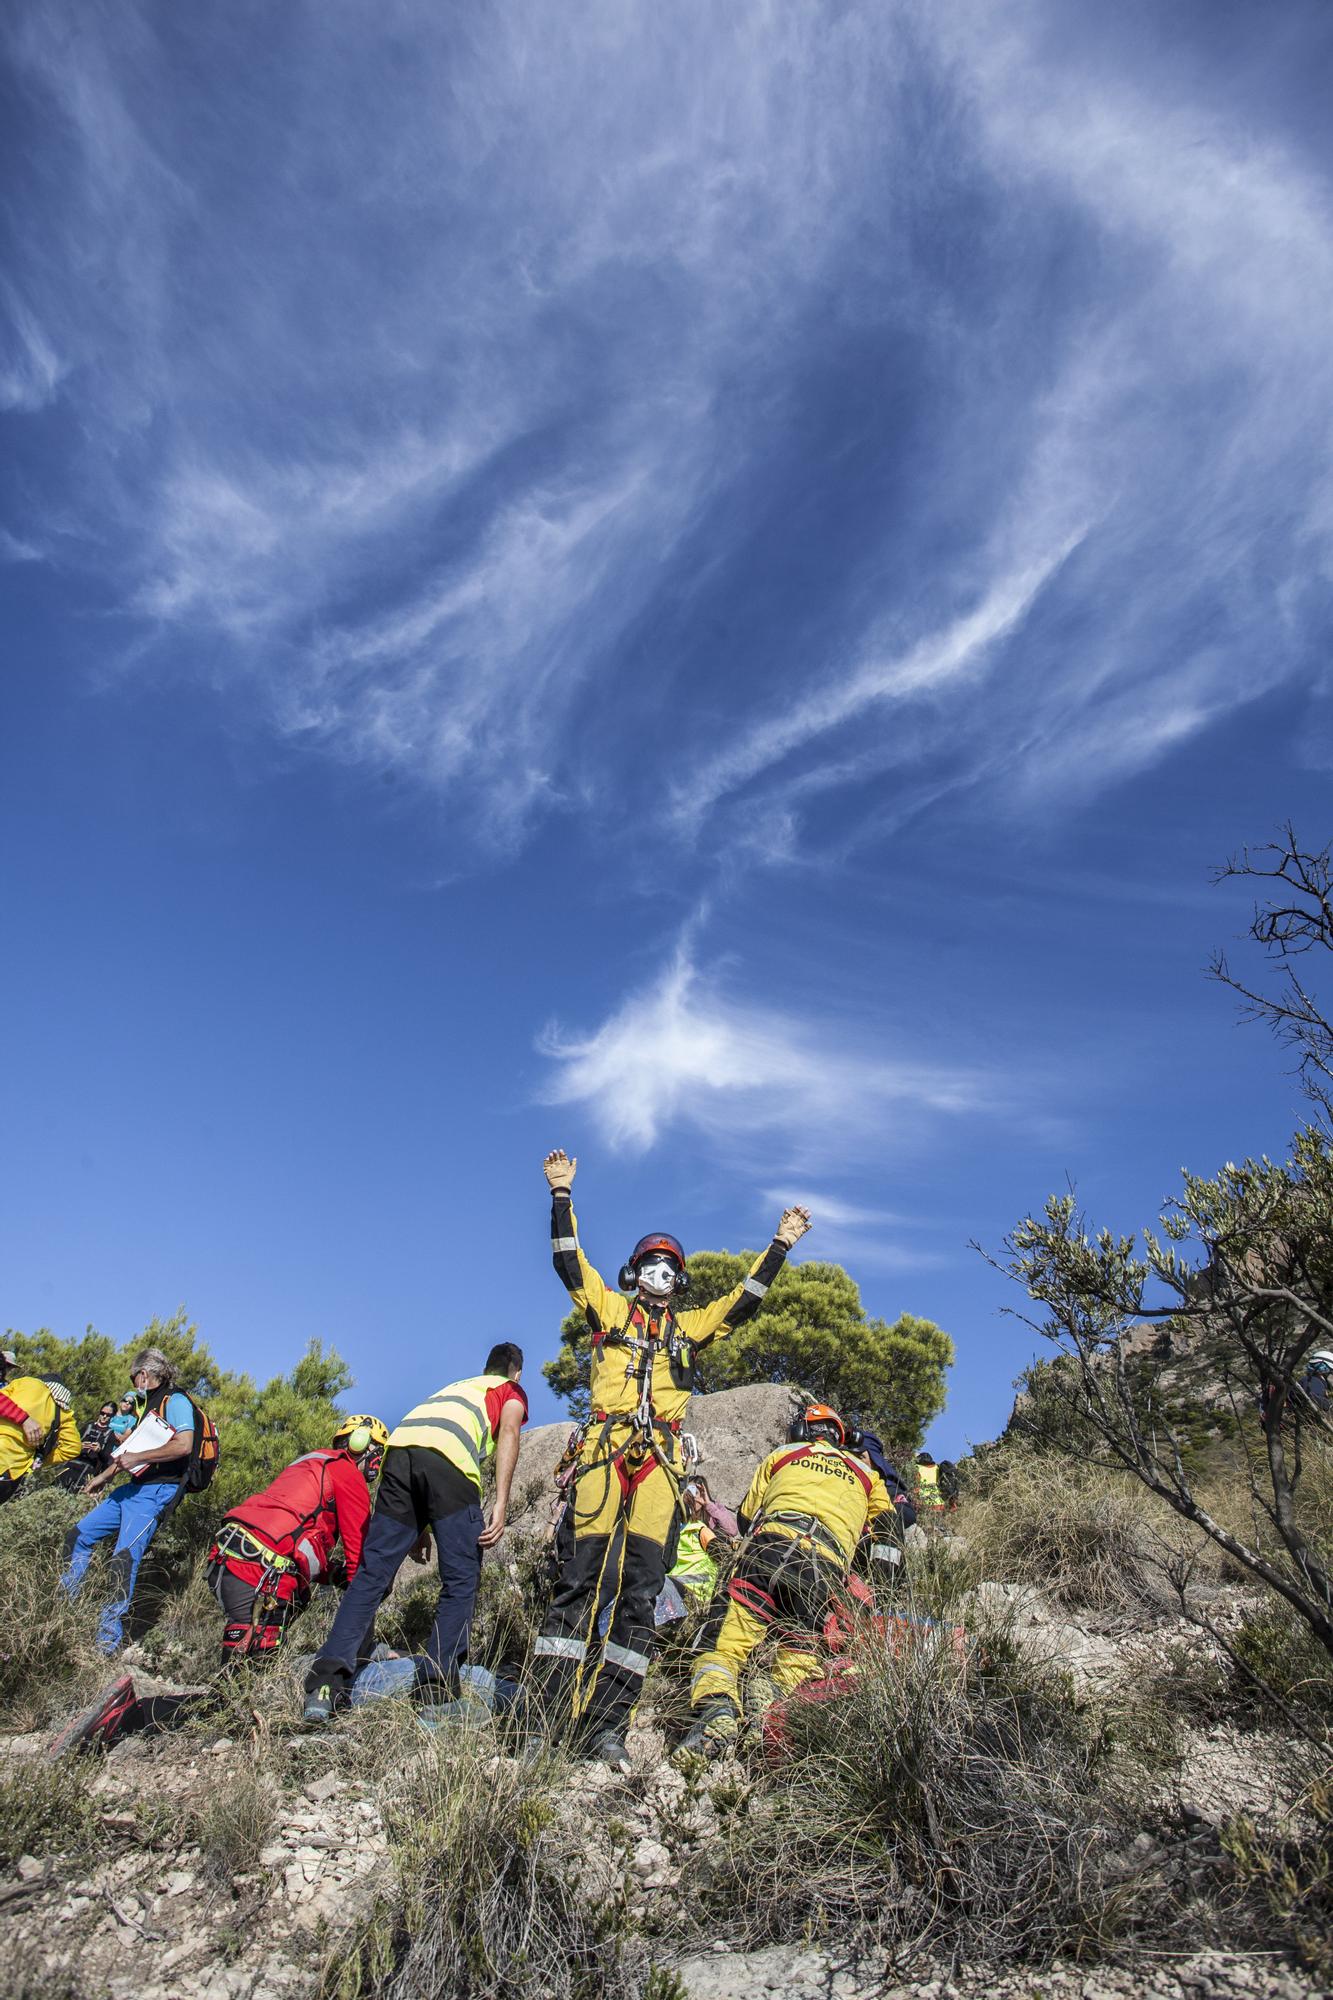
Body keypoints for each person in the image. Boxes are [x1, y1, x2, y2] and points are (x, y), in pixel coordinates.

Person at [531, 1148, 812, 1767]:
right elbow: (568, 1263)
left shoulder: (691, 1328)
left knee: (641, 1591)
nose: (660, 1272)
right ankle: (547, 1720)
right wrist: (560, 1194)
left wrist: (780, 1244)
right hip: (604, 1454)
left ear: (680, 1281)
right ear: (635, 1274)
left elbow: (746, 1300)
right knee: (578, 1582)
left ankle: (606, 1727)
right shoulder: (608, 1309)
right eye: (651, 1264)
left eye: (669, 1266)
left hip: (660, 1464)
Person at [48, 1416, 390, 1756]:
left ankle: (141, 1721)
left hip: (233, 1562)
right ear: (366, 1446)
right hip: (261, 1577)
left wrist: (329, 1574)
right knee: (232, 1695)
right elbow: (361, 1563)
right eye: (378, 1454)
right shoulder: (349, 1476)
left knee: (242, 1681)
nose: (377, 1465)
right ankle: (125, 1718)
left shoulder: (312, 1463)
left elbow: (295, 1537)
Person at [303, 1343, 528, 1723]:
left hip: (400, 1451)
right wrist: (501, 1502)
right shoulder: (508, 1390)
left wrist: (420, 1525)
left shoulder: (458, 1387)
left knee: (372, 1573)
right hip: (450, 1461)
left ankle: (325, 1685)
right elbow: (509, 1429)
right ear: (516, 1372)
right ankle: (435, 1687)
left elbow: (423, 1446)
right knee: (460, 1577)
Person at [680, 1402, 894, 1760]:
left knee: (720, 1648)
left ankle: (716, 1716)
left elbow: (747, 1518)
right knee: (796, 1659)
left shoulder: (783, 1455)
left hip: (768, 1549)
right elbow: (889, 1531)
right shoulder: (866, 1475)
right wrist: (878, 1591)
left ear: (803, 1431)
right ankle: (766, 1715)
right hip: (824, 1570)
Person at [60, 1349, 204, 1651]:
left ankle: (105, 1645)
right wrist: (105, 1475)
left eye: (132, 1375)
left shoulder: (175, 1400)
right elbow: (136, 1447)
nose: (133, 1381)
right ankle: (62, 1611)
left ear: (144, 1374)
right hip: (132, 1489)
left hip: (156, 1492)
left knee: (123, 1560)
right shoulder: (148, 1405)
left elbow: (184, 1444)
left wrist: (138, 1457)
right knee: (79, 1536)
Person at [0, 1374, 79, 1501]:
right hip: (11, 1471)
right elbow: (72, 1448)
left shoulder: (25, 1383)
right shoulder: (62, 1410)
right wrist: (38, 1461)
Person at [57, 1402, 121, 1494]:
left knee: (75, 1494)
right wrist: (80, 1446)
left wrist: (99, 1451)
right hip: (71, 1465)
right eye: (102, 1413)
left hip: (88, 1470)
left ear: (112, 1416)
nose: (104, 1416)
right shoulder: (88, 1426)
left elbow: (106, 1459)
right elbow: (71, 1442)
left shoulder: (110, 1435)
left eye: (108, 1415)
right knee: (57, 1489)